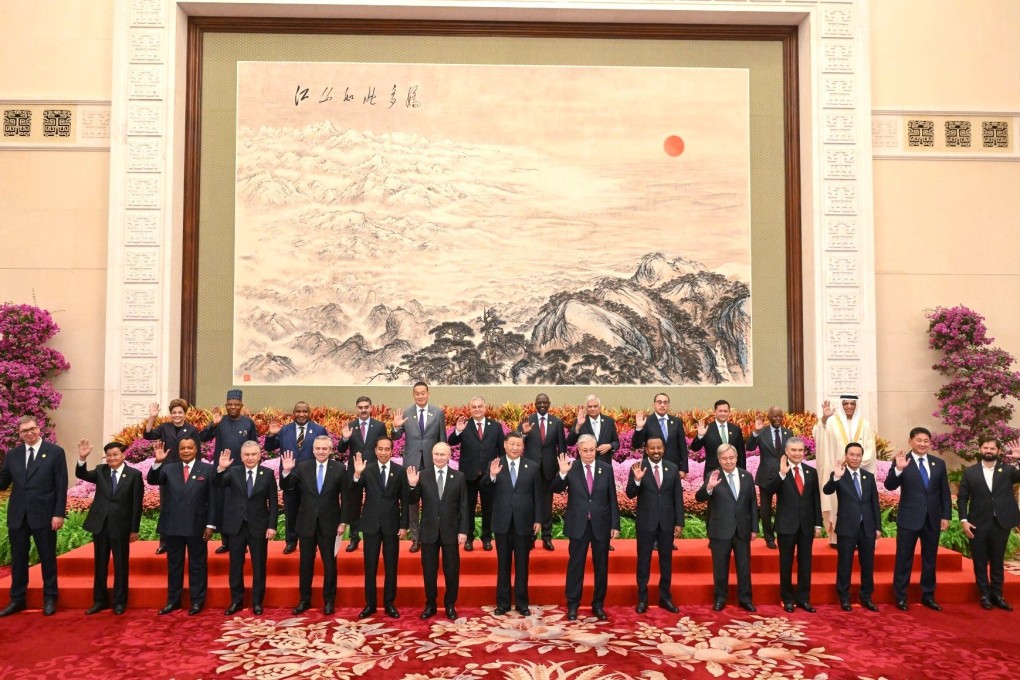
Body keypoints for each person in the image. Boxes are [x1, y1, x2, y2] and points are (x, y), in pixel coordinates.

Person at [0, 416, 67, 617]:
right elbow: (3, 482)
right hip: (18, 515)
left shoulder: (55, 452)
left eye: (32, 429)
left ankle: (49, 598)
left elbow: (61, 485)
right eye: (24, 431)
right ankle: (17, 600)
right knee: (19, 560)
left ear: (39, 429)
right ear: (19, 434)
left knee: (47, 558)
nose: (29, 433)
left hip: (45, 515)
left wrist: (58, 513)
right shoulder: (13, 455)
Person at [349, 435, 419, 619]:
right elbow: (354, 494)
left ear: (392, 450)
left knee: (391, 566)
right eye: (380, 449)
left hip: (392, 525)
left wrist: (404, 525)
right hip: (371, 524)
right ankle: (370, 604)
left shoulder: (400, 471)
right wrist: (356, 475)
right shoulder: (367, 469)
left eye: (387, 449)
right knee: (370, 566)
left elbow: (405, 501)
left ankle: (389, 603)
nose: (383, 452)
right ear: (375, 450)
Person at [552, 434, 620, 621]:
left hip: (601, 524)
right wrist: (562, 473)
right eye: (585, 450)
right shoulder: (571, 468)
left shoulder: (606, 469)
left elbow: (612, 497)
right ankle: (573, 605)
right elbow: (556, 488)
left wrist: (615, 523)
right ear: (578, 451)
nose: (589, 454)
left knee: (601, 567)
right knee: (575, 566)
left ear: (596, 449)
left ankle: (598, 605)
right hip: (578, 525)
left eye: (592, 450)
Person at [147, 436, 217, 615]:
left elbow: (214, 499)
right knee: (174, 564)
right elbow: (153, 480)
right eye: (182, 448)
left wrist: (210, 524)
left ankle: (197, 601)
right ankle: (173, 601)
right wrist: (157, 462)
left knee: (198, 565)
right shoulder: (169, 469)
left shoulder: (208, 470)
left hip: (198, 526)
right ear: (178, 451)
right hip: (173, 526)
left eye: (189, 448)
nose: (186, 451)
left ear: (196, 450)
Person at [884, 427, 952, 611]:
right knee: (904, 558)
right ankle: (900, 597)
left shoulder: (938, 463)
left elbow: (944, 492)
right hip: (909, 518)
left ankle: (928, 596)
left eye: (926, 441)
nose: (923, 444)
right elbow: (889, 485)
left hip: (932, 519)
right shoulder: (901, 460)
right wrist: (898, 469)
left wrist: (946, 515)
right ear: (910, 441)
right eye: (919, 440)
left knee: (930, 559)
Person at [75, 439, 143, 615]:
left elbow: (137, 504)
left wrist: (134, 529)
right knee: (100, 565)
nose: (112, 458)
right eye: (109, 455)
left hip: (121, 527)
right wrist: (82, 458)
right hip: (100, 525)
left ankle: (120, 602)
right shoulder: (100, 471)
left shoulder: (134, 474)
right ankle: (99, 600)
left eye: (115, 454)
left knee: (121, 565)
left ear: (123, 455)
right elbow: (82, 474)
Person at [280, 435, 346, 615]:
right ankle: (304, 600)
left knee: (329, 564)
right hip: (306, 523)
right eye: (318, 448)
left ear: (331, 450)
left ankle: (329, 601)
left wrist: (343, 521)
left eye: (325, 449)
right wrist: (286, 472)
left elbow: (346, 497)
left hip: (330, 524)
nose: (321, 452)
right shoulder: (302, 467)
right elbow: (287, 486)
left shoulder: (339, 468)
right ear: (313, 450)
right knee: (305, 564)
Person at [214, 440, 278, 616]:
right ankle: (236, 601)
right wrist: (221, 469)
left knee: (259, 566)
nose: (250, 458)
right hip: (236, 527)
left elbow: (273, 502)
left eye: (253, 454)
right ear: (241, 457)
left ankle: (257, 602)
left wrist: (272, 525)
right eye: (247, 455)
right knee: (235, 565)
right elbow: (219, 483)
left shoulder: (268, 473)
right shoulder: (233, 472)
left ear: (259, 455)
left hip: (259, 526)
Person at [482, 431, 542, 616]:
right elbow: (484, 490)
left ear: (523, 447)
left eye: (519, 445)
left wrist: (538, 519)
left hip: (524, 523)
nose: (515, 448)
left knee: (523, 565)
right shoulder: (495, 464)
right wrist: (491, 476)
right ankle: (503, 603)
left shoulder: (532, 467)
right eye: (512, 444)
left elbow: (538, 495)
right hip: (502, 522)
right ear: (505, 445)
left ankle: (522, 604)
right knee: (503, 565)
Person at [957, 437, 1020, 610]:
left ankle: (998, 594)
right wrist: (964, 520)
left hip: (1001, 523)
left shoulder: (1008, 470)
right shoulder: (971, 472)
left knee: (998, 560)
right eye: (985, 447)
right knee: (979, 560)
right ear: (980, 449)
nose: (989, 450)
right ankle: (984, 594)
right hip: (977, 523)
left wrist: (1018, 458)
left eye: (992, 448)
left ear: (998, 451)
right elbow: (962, 498)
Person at [695, 443, 758, 612]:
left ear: (737, 458)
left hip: (742, 529)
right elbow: (699, 497)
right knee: (720, 567)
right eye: (724, 458)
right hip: (720, 529)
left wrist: (754, 528)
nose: (728, 461)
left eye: (731, 458)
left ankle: (745, 599)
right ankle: (720, 599)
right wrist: (709, 487)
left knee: (744, 567)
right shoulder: (713, 475)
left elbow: (752, 503)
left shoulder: (747, 476)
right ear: (719, 459)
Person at [762, 437, 822, 613]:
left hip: (806, 526)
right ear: (787, 452)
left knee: (805, 564)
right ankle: (787, 599)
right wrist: (781, 474)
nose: (797, 453)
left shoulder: (811, 472)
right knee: (786, 563)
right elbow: (769, 491)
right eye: (793, 450)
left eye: (800, 450)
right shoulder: (779, 469)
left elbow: (815, 499)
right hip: (786, 526)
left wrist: (818, 524)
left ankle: (804, 599)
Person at [625, 437, 683, 614]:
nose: (656, 451)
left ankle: (665, 598)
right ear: (646, 450)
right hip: (646, 523)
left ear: (663, 449)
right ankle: (642, 599)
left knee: (666, 562)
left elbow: (677, 497)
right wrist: (636, 481)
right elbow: (630, 494)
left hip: (666, 522)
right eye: (652, 448)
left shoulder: (672, 468)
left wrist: (679, 522)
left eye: (659, 448)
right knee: (644, 562)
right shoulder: (637, 467)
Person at [822, 442, 881, 611]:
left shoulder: (868, 477)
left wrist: (878, 527)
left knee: (868, 564)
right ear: (846, 456)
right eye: (852, 454)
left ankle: (866, 597)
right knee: (845, 563)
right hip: (847, 526)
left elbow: (874, 503)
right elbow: (827, 490)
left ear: (862, 457)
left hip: (867, 527)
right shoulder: (839, 474)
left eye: (858, 455)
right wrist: (836, 477)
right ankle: (844, 597)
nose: (855, 458)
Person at [264, 401, 328, 554]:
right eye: (298, 411)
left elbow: (325, 452)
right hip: (290, 478)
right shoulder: (284, 430)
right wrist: (271, 435)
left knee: (312, 511)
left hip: (311, 479)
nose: (301, 414)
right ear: (293, 413)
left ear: (309, 413)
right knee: (291, 510)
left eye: (304, 411)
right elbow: (269, 448)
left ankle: (314, 541)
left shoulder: (319, 430)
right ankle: (291, 541)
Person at [814, 395, 877, 548]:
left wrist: (856, 462)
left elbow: (870, 448)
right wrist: (824, 419)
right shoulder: (832, 422)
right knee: (839, 505)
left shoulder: (864, 424)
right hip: (838, 473)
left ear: (856, 405)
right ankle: (837, 539)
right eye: (846, 404)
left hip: (858, 471)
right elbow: (819, 436)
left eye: (852, 404)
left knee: (859, 503)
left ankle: (862, 537)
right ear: (841, 405)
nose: (849, 406)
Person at [200, 389, 258, 554]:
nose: (233, 407)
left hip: (242, 471)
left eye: (236, 405)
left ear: (241, 406)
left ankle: (243, 541)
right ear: (226, 406)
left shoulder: (248, 423)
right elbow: (202, 438)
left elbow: (254, 446)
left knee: (240, 505)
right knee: (223, 505)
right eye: (230, 405)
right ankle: (227, 541)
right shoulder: (220, 421)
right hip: (222, 471)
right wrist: (213, 425)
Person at [391, 381, 447, 553]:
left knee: (433, 501)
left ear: (428, 394)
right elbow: (395, 437)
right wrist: (395, 426)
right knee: (412, 503)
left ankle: (433, 536)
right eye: (417, 393)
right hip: (412, 464)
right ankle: (415, 539)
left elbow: (442, 439)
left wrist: (443, 459)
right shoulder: (406, 412)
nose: (420, 396)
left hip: (432, 464)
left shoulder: (437, 412)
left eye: (423, 393)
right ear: (413, 395)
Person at [417, 442, 469, 621]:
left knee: (452, 570)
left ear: (449, 456)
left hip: (451, 531)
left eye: (442, 454)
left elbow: (464, 505)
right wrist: (411, 485)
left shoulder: (459, 476)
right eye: (436, 454)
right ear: (432, 455)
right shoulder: (422, 475)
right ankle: (430, 604)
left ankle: (450, 605)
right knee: (429, 571)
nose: (439, 457)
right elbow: (413, 500)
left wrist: (463, 531)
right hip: (429, 531)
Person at [448, 396, 505, 551]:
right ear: (470, 409)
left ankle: (487, 538)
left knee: (489, 507)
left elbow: (502, 451)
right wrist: (458, 431)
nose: (477, 409)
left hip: (489, 475)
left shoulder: (495, 427)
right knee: (468, 507)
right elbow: (451, 442)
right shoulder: (464, 426)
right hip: (468, 474)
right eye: (474, 407)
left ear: (485, 408)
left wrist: (500, 472)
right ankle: (469, 538)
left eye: (480, 406)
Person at [143, 399, 198, 554]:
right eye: (174, 412)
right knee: (167, 507)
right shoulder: (164, 428)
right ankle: (164, 542)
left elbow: (197, 453)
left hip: (186, 472)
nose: (177, 415)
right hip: (167, 473)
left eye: (180, 412)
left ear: (185, 414)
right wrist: (152, 417)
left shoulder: (191, 429)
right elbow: (148, 435)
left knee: (188, 506)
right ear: (170, 414)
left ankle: (187, 539)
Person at [338, 396, 389, 554]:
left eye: (366, 406)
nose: (363, 410)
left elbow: (384, 446)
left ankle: (374, 534)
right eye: (360, 407)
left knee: (374, 502)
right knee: (354, 503)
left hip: (374, 470)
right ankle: (354, 537)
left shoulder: (379, 425)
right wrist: (345, 438)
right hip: (355, 470)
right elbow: (340, 450)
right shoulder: (350, 426)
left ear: (371, 407)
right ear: (356, 408)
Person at [519, 392, 567, 551]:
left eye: (545, 402)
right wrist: (524, 433)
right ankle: (531, 538)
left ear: (549, 404)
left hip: (549, 469)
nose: (542, 405)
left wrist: (562, 466)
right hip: (530, 469)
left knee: (546, 504)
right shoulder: (527, 421)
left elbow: (562, 446)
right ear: (535, 404)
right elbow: (516, 443)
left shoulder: (557, 422)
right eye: (539, 402)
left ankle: (546, 538)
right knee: (530, 503)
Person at [746, 406, 793, 549]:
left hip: (784, 475)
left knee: (784, 507)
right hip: (766, 476)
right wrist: (755, 432)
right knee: (766, 509)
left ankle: (783, 534)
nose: (778, 419)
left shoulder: (788, 432)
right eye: (775, 416)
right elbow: (749, 447)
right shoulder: (762, 432)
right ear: (769, 417)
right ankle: (769, 538)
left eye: (780, 416)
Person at [632, 393, 689, 473]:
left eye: (665, 403)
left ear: (668, 405)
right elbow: (636, 445)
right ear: (654, 404)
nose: (662, 405)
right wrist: (639, 428)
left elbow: (682, 447)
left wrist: (683, 469)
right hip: (652, 467)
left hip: (673, 467)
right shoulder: (646, 421)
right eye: (659, 402)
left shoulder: (677, 422)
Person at [691, 399, 746, 476]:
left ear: (729, 412)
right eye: (720, 411)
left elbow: (741, 454)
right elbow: (694, 448)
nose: (723, 414)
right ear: (715, 412)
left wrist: (742, 473)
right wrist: (700, 436)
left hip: (733, 472)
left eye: (725, 411)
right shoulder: (706, 429)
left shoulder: (736, 429)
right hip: (712, 472)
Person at [566, 395, 620, 465]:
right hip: (584, 464)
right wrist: (578, 426)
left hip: (604, 464)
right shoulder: (580, 421)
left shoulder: (609, 421)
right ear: (586, 408)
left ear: (600, 407)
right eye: (589, 406)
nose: (592, 409)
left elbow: (616, 442)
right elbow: (570, 442)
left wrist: (610, 446)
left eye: (595, 406)